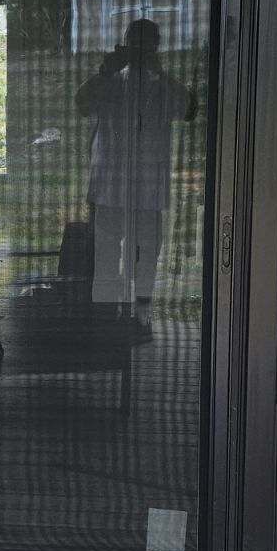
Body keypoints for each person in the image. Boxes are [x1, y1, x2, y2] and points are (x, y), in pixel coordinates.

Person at [75, 18, 195, 333]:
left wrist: (161, 71)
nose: (140, 52)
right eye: (135, 45)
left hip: (145, 190)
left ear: (155, 48)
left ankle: (138, 317)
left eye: (147, 46)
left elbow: (190, 109)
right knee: (106, 256)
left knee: (144, 259)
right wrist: (106, 69)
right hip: (112, 188)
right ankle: (105, 317)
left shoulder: (161, 86)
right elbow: (81, 104)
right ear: (125, 46)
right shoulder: (110, 81)